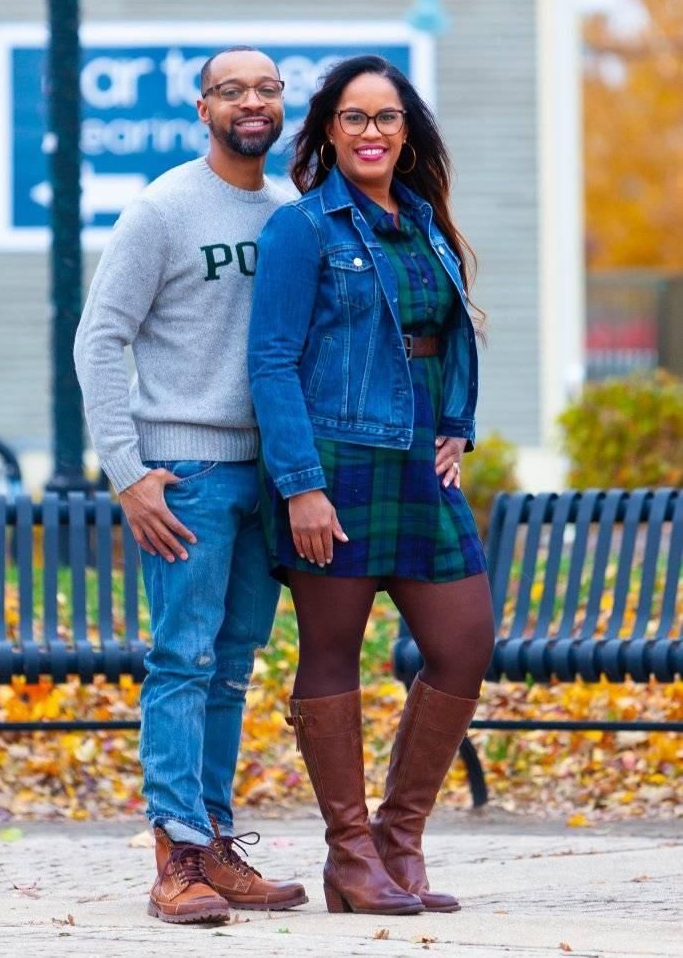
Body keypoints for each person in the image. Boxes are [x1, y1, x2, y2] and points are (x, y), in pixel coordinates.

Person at [248, 54, 494, 917]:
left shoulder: (424, 222)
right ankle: (351, 860)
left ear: (406, 132)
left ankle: (399, 841)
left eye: (386, 118)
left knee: (465, 640)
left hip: (420, 465)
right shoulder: (303, 229)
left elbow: (443, 334)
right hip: (337, 461)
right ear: (327, 132)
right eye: (353, 118)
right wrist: (301, 484)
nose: (371, 133)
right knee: (330, 652)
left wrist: (458, 422)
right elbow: (272, 362)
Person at [74, 47, 308, 924]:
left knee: (232, 665)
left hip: (270, 475)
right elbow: (99, 340)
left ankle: (214, 842)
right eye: (233, 90)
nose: (252, 102)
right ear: (203, 108)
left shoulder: (288, 213)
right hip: (190, 474)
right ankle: (174, 857)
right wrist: (128, 473)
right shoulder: (163, 209)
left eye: (267, 89)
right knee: (182, 659)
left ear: (282, 106)